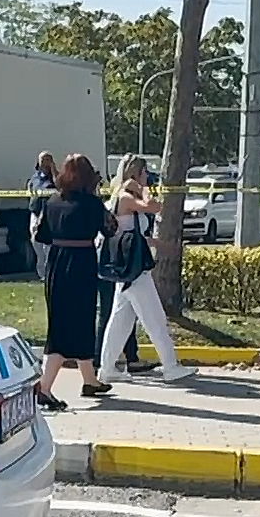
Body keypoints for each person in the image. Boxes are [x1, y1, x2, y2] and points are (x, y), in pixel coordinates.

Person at [95, 156, 197, 383]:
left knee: (120, 321)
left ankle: (107, 368)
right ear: (136, 173)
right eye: (144, 172)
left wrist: (158, 244)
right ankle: (170, 367)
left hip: (129, 268)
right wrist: (142, 189)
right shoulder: (125, 197)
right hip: (134, 271)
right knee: (155, 319)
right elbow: (155, 207)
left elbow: (132, 235)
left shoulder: (118, 198)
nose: (147, 175)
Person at [35, 154, 114, 410]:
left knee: (62, 320)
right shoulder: (92, 204)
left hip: (57, 264)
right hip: (81, 263)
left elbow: (42, 235)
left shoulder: (53, 202)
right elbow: (110, 229)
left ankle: (89, 380)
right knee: (76, 322)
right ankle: (44, 388)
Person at [28, 151, 56, 279]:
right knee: (36, 242)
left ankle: (49, 272)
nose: (46, 162)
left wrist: (54, 172)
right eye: (44, 159)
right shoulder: (35, 178)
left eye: (49, 159)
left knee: (49, 246)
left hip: (50, 215)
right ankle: (42, 274)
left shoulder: (56, 177)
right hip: (36, 213)